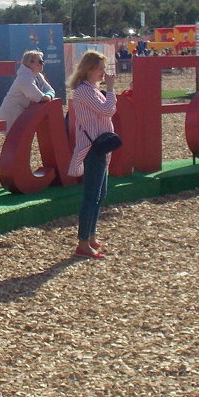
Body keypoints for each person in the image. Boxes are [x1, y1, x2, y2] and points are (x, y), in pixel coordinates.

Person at [66, 51, 117, 260]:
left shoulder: (92, 89)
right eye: (100, 69)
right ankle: (83, 242)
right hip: (92, 148)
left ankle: (91, 235)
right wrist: (112, 89)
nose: (103, 73)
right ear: (89, 69)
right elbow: (107, 110)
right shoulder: (84, 91)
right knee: (91, 196)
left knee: (99, 194)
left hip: (100, 147)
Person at [0, 50, 56, 126]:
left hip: (22, 114)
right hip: (11, 115)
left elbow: (50, 90)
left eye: (42, 61)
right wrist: (47, 96)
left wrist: (49, 95)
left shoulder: (38, 75)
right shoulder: (24, 78)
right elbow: (39, 97)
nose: (42, 64)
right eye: (40, 62)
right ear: (30, 63)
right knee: (15, 137)